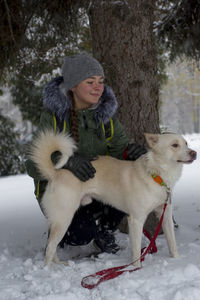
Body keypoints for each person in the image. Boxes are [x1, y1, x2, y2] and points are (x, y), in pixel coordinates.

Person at [26, 53, 146, 254]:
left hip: (98, 187)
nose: (98, 87)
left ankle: (104, 232)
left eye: (100, 81)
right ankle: (61, 230)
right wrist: (66, 162)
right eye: (90, 82)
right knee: (80, 234)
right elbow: (32, 164)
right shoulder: (53, 118)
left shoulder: (105, 116)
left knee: (125, 187)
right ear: (73, 86)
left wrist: (130, 153)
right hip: (62, 191)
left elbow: (119, 151)